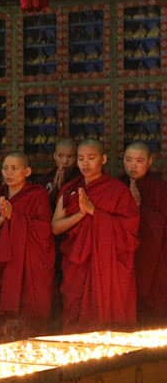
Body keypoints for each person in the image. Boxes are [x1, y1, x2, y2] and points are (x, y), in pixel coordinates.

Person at [52, 140, 139, 332]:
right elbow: (56, 227)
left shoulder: (117, 190)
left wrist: (95, 213)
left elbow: (130, 231)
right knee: (75, 311)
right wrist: (81, 214)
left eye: (91, 158)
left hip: (107, 265)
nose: (85, 163)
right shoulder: (70, 189)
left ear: (103, 159)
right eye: (81, 158)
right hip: (77, 263)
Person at [0, 153, 54, 342]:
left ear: (27, 171)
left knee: (26, 317)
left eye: (14, 168)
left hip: (27, 266)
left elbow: (45, 231)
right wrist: (3, 218)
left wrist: (16, 218)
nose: (9, 173)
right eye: (5, 168)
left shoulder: (37, 195)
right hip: (0, 264)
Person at [122, 142, 167, 326]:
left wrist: (140, 208)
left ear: (150, 162)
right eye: (129, 160)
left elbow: (162, 225)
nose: (133, 165)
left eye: (139, 161)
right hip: (124, 255)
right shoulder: (115, 185)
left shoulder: (160, 189)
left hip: (153, 256)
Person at [32, 139, 79, 207]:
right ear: (54, 156)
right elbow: (42, 205)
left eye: (70, 156)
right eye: (60, 156)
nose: (65, 161)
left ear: (76, 157)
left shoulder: (81, 177)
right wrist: (55, 188)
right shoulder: (46, 178)